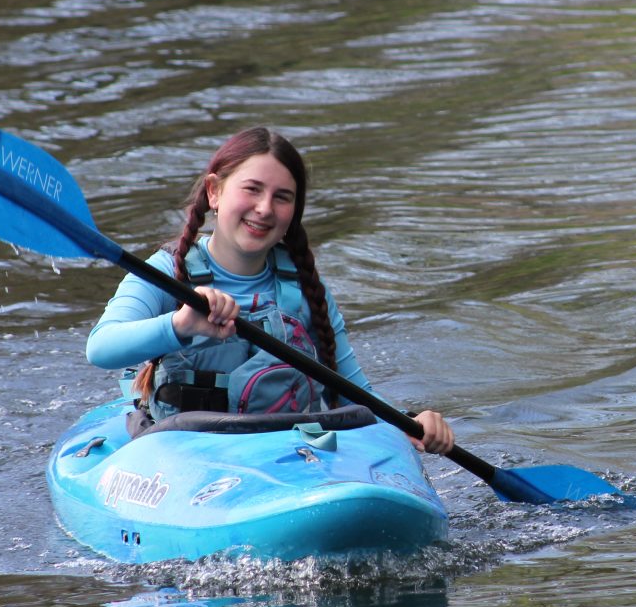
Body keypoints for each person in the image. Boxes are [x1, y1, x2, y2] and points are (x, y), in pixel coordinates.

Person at [86, 126, 455, 455]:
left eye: (282, 197)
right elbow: (101, 348)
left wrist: (410, 423)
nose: (264, 208)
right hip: (186, 452)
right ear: (214, 191)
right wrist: (181, 325)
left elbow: (351, 392)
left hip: (283, 455)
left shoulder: (304, 288)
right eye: (252, 189)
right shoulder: (168, 273)